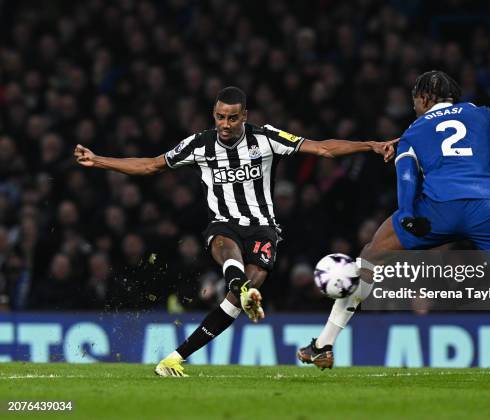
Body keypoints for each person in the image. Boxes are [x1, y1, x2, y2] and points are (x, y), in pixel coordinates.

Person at [297, 71, 490, 387]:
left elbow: (405, 173)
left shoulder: (413, 132)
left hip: (438, 210)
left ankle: (324, 345)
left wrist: (407, 213)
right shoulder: (482, 114)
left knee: (371, 255)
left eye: (414, 100)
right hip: (488, 210)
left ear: (423, 98)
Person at [74, 86, 397, 377]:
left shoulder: (266, 139)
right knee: (225, 244)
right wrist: (99, 160)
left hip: (264, 229)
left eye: (231, 118)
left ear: (245, 116)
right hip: (224, 224)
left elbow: (322, 149)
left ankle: (173, 358)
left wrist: (369, 145)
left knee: (237, 300)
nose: (224, 124)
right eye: (219, 117)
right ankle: (239, 284)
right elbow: (149, 165)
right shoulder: (199, 145)